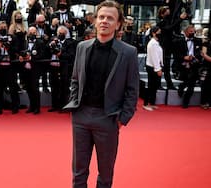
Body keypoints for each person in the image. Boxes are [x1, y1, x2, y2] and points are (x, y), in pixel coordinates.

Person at [63, 1, 139, 188]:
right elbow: (75, 79)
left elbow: (132, 89)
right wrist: (75, 104)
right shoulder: (82, 47)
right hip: (81, 116)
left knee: (105, 173)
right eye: (101, 17)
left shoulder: (128, 53)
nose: (105, 21)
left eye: (110, 18)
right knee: (78, 172)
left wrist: (123, 118)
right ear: (95, 20)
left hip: (109, 118)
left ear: (118, 24)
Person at [172, 25, 202, 108]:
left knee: (192, 84)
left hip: (194, 64)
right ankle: (182, 86)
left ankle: (186, 101)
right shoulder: (178, 41)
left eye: (194, 31)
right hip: (182, 65)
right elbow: (176, 55)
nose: (193, 33)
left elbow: (200, 52)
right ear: (185, 32)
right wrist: (184, 57)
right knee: (188, 81)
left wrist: (196, 57)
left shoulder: (198, 41)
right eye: (191, 32)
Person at [143, 26, 163, 111]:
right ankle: (146, 103)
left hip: (155, 66)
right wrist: (158, 69)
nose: (160, 34)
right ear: (154, 33)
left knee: (154, 86)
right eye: (159, 32)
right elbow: (155, 57)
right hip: (152, 67)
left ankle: (152, 102)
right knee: (151, 85)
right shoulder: (153, 43)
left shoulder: (155, 42)